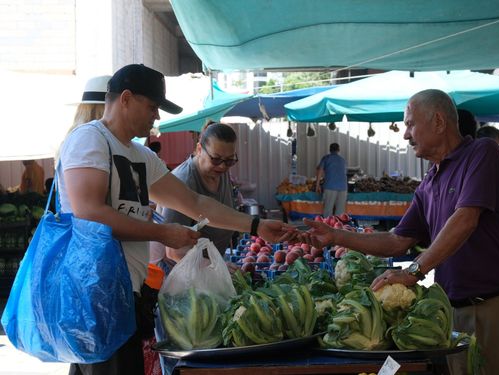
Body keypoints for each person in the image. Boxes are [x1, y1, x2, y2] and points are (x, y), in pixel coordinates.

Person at [57, 64, 296, 375]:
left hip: (123, 290)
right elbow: (89, 213)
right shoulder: (89, 140)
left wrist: (256, 226)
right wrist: (162, 233)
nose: (156, 116)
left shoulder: (141, 156)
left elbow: (195, 202)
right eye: (153, 106)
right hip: (94, 291)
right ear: (126, 98)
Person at [303, 89, 499, 374]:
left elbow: (465, 218)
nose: (405, 135)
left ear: (439, 122)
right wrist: (336, 236)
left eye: (409, 124)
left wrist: (414, 272)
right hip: (456, 313)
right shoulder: (429, 182)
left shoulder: (482, 153)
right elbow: (397, 240)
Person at [157, 120, 240, 274]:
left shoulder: (220, 172)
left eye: (229, 161)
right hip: (180, 275)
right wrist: (216, 267)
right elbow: (174, 252)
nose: (222, 166)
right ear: (199, 149)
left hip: (209, 272)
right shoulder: (183, 181)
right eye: (216, 159)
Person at [315, 143, 348, 217]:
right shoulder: (342, 160)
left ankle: (327, 226)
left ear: (330, 150)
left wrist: (317, 185)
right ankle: (338, 226)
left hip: (330, 186)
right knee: (340, 211)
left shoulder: (326, 158)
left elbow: (320, 171)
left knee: (328, 210)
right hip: (343, 187)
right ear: (339, 150)